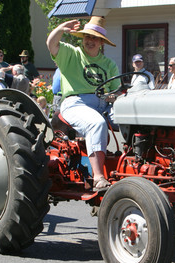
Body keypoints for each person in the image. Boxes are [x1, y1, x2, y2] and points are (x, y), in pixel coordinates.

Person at [46, 16, 120, 190]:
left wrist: (113, 96)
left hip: (103, 104)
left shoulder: (109, 64)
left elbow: (116, 90)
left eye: (95, 38)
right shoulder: (71, 54)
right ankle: (98, 176)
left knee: (130, 120)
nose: (90, 41)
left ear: (101, 42)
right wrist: (61, 28)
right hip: (75, 102)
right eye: (88, 36)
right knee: (96, 123)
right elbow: (51, 44)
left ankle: (135, 165)